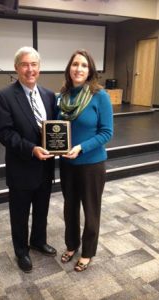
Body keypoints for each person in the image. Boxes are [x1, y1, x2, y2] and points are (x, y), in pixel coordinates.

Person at [0, 46, 57, 273]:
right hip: (22, 167)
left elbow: (55, 130)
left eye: (34, 64)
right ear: (16, 67)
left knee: (42, 209)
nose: (30, 69)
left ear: (39, 68)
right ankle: (21, 251)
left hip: (46, 167)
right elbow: (4, 133)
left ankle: (38, 241)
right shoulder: (4, 96)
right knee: (19, 214)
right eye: (25, 64)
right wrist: (32, 149)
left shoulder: (49, 95)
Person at [57, 49, 113, 272]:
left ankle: (88, 251)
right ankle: (72, 245)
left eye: (83, 65)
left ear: (90, 70)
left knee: (91, 211)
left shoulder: (100, 96)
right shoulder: (62, 96)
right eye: (74, 64)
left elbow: (106, 132)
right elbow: (56, 129)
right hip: (67, 164)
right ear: (69, 68)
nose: (78, 69)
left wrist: (81, 148)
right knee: (70, 208)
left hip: (91, 164)